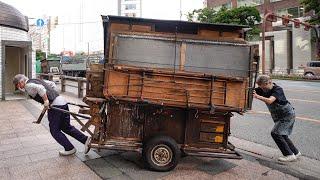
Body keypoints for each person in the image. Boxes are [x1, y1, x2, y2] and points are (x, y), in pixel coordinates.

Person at [13, 74, 91, 156]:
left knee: (54, 130)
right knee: (66, 127)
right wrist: (53, 95)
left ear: (21, 81)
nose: (19, 87)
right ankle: (85, 140)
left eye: (18, 85)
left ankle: (69, 148)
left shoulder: (28, 85)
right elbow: (51, 84)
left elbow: (41, 89)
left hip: (55, 106)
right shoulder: (36, 80)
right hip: (62, 102)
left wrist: (46, 100)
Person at [253, 75, 301, 162]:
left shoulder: (278, 89)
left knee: (275, 133)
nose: (263, 90)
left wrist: (258, 96)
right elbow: (252, 91)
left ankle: (289, 155)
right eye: (261, 88)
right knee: (282, 134)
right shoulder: (262, 89)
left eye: (264, 87)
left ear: (269, 82)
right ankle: (295, 152)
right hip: (279, 116)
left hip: (287, 115)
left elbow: (270, 100)